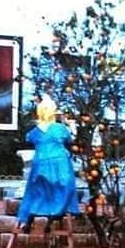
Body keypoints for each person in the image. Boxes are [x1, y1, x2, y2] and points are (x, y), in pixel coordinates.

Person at [17, 95, 80, 231]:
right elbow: (70, 139)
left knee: (37, 191)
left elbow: (29, 138)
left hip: (41, 163)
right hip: (60, 162)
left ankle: (28, 220)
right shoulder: (60, 128)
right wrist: (70, 125)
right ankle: (54, 217)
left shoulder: (35, 131)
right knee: (65, 188)